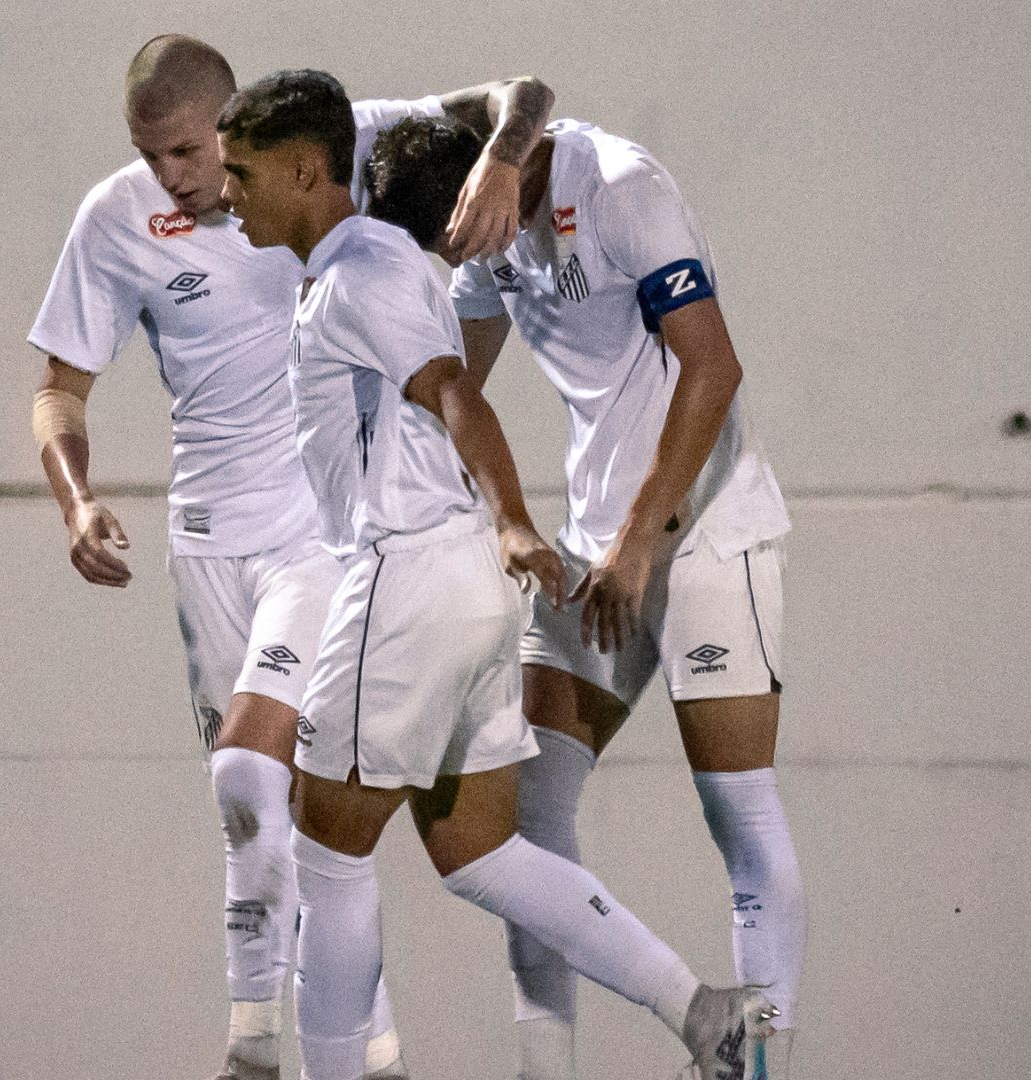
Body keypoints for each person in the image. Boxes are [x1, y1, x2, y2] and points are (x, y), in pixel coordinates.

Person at [216, 68, 777, 1080]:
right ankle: (705, 1015)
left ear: (308, 172)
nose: (224, 193)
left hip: (410, 582)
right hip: (466, 588)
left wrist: (517, 522)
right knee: (478, 849)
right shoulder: (398, 272)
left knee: (326, 848)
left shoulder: (363, 275)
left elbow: (456, 401)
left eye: (241, 173)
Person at [25, 35, 558, 1080]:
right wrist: (76, 502)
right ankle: (374, 1055)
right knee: (270, 822)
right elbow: (60, 386)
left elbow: (522, 92)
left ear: (235, 123)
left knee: (252, 772)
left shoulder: (326, 143)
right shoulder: (116, 218)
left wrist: (504, 155)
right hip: (207, 545)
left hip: (325, 541)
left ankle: (255, 1050)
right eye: (157, 159)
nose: (181, 181)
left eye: (192, 153)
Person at [363, 114, 804, 1080]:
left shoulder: (622, 191)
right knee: (527, 814)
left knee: (737, 807)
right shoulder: (479, 232)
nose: (458, 264)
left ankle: (759, 1062)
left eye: (456, 243)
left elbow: (715, 367)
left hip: (703, 538)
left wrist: (642, 534)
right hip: (592, 550)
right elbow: (451, 395)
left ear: (489, 188)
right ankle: (546, 1067)